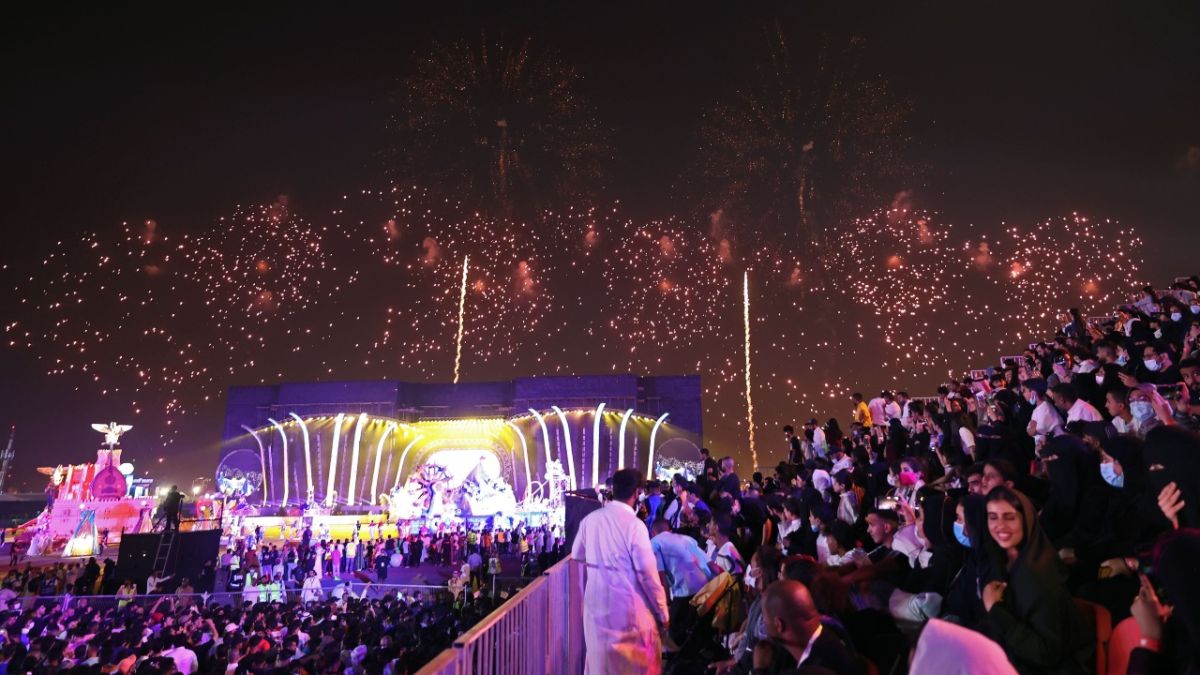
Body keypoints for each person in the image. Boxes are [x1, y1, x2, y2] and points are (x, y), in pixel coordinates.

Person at [980, 486, 1093, 674]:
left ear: (1026, 521)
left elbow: (1046, 654)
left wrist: (996, 609)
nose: (1000, 525)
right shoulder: (1001, 563)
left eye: (1010, 517)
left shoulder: (1041, 575)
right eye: (993, 517)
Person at [571, 468, 669, 675]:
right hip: (627, 610)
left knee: (600, 664)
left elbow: (577, 553)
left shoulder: (591, 519)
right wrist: (662, 611)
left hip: (596, 606)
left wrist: (600, 560)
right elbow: (647, 575)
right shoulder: (635, 526)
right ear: (636, 493)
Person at [753, 579, 863, 674]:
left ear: (779, 625)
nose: (763, 624)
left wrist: (759, 669)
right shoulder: (833, 633)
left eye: (764, 618)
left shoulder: (813, 669)